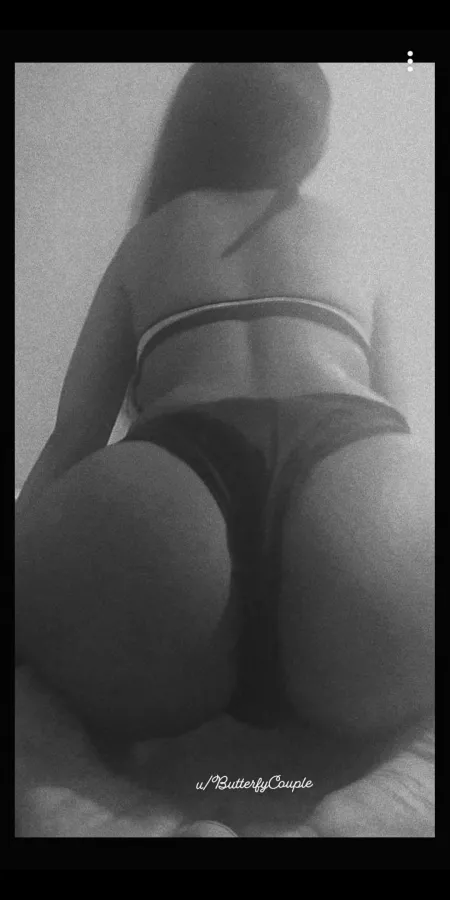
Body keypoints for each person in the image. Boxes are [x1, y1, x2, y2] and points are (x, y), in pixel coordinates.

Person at [15, 64, 434, 756]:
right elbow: (402, 426)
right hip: (362, 493)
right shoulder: (349, 234)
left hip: (164, 505)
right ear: (312, 136)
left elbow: (74, 435)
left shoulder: (153, 237)